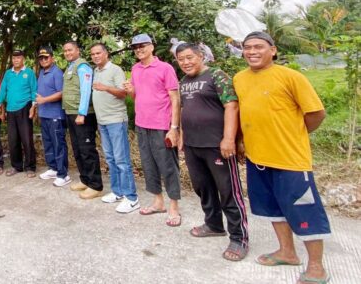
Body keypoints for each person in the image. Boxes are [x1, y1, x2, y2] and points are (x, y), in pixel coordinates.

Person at [234, 31, 329, 283]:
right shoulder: (240, 79)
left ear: (273, 50)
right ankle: (287, 252)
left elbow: (316, 113)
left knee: (305, 211)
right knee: (272, 209)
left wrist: (296, 134)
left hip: (290, 160)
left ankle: (316, 266)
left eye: (258, 47)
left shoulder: (291, 77)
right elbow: (245, 113)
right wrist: (242, 141)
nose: (252, 52)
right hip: (258, 159)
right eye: (247, 47)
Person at [175, 43, 249, 261]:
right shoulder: (184, 81)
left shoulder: (217, 75)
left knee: (228, 191)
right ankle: (214, 224)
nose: (186, 62)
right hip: (192, 146)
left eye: (190, 57)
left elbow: (232, 106)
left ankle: (239, 238)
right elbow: (183, 109)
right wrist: (181, 134)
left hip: (217, 145)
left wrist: (228, 138)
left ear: (201, 56)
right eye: (181, 59)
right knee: (202, 187)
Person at [123, 34, 182, 226]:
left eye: (142, 45)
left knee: (168, 167)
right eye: (135, 47)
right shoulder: (135, 68)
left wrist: (174, 128)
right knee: (148, 165)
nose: (138, 49)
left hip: (162, 126)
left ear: (152, 47)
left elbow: (175, 99)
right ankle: (158, 202)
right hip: (142, 124)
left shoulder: (165, 68)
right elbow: (136, 96)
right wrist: (130, 89)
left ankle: (173, 207)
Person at [89, 43, 140, 213]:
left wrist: (106, 88)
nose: (95, 56)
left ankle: (132, 198)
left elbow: (123, 94)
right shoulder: (96, 71)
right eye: (93, 54)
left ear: (106, 54)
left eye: (98, 53)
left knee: (121, 159)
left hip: (116, 120)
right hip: (102, 121)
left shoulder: (115, 70)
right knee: (110, 158)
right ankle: (118, 192)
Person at [61, 41, 103, 199]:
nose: (67, 53)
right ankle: (85, 180)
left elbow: (86, 91)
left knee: (87, 150)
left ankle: (95, 185)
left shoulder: (82, 66)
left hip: (82, 115)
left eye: (70, 50)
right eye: (65, 51)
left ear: (77, 50)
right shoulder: (70, 66)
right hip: (71, 113)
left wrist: (82, 113)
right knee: (78, 149)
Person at [0, 50, 37, 177]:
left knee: (26, 139)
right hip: (11, 110)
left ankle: (30, 167)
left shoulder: (29, 73)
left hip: (25, 108)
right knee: (13, 140)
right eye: (14, 58)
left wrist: (33, 107)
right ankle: (16, 166)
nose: (16, 60)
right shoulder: (8, 73)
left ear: (23, 59)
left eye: (18, 58)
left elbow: (34, 90)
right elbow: (3, 89)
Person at [35, 46, 70, 187]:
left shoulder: (57, 72)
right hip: (44, 114)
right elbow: (38, 94)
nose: (43, 60)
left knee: (58, 145)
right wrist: (35, 107)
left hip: (55, 115)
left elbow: (61, 93)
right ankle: (53, 169)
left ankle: (63, 174)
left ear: (52, 58)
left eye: (46, 57)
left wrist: (44, 100)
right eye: (41, 58)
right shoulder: (42, 73)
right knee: (48, 144)